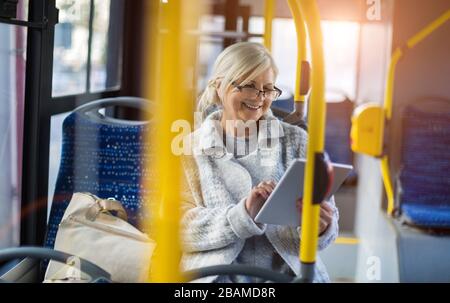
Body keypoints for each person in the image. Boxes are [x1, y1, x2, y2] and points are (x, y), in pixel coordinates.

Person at [180, 42, 338, 283]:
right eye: (248, 86)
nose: (259, 98)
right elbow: (178, 229)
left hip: (287, 274)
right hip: (215, 276)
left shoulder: (297, 141)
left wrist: (322, 228)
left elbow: (328, 221)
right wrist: (241, 215)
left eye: (267, 89)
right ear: (218, 86)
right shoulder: (189, 149)